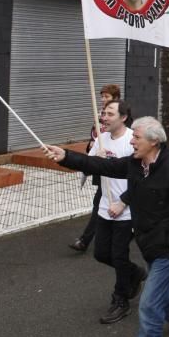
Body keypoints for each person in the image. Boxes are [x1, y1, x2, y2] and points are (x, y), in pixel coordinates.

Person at [45, 117, 169, 337]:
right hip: (150, 244)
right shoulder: (135, 164)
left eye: (137, 138)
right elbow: (103, 164)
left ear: (154, 141)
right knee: (164, 299)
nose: (131, 141)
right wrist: (66, 157)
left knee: (149, 305)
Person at [88, 99, 148, 325]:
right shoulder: (101, 139)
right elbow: (89, 163)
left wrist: (123, 202)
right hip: (105, 207)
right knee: (101, 253)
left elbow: (142, 178)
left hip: (127, 210)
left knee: (118, 255)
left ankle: (120, 299)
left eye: (110, 113)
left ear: (123, 117)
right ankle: (136, 273)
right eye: (103, 113)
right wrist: (93, 160)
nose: (104, 117)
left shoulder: (133, 140)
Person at [71, 83, 122, 252]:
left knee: (115, 201)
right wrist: (92, 145)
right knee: (100, 200)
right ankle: (86, 240)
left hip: (118, 168)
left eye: (107, 97)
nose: (103, 100)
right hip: (101, 164)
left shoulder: (122, 114)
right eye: (102, 96)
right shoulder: (99, 114)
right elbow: (95, 133)